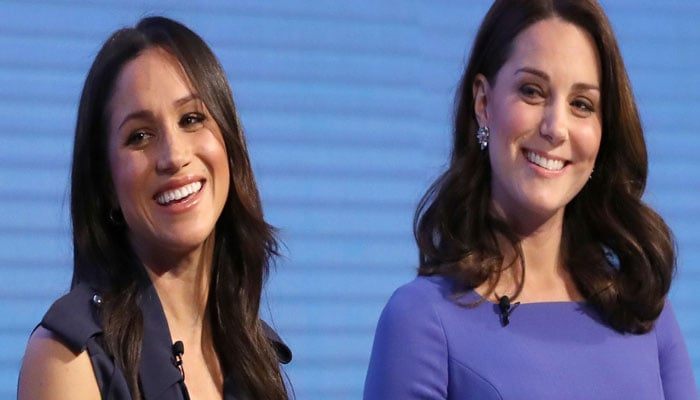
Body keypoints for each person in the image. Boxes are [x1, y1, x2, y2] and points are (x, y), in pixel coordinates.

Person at [364, 1, 697, 399]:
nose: (556, 128)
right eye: (532, 91)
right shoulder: (421, 320)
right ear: (483, 104)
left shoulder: (641, 311)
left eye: (582, 104)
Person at [18, 16, 291, 399]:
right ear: (106, 184)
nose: (174, 156)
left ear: (229, 144)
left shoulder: (256, 356)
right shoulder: (69, 358)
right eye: (140, 136)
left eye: (191, 119)